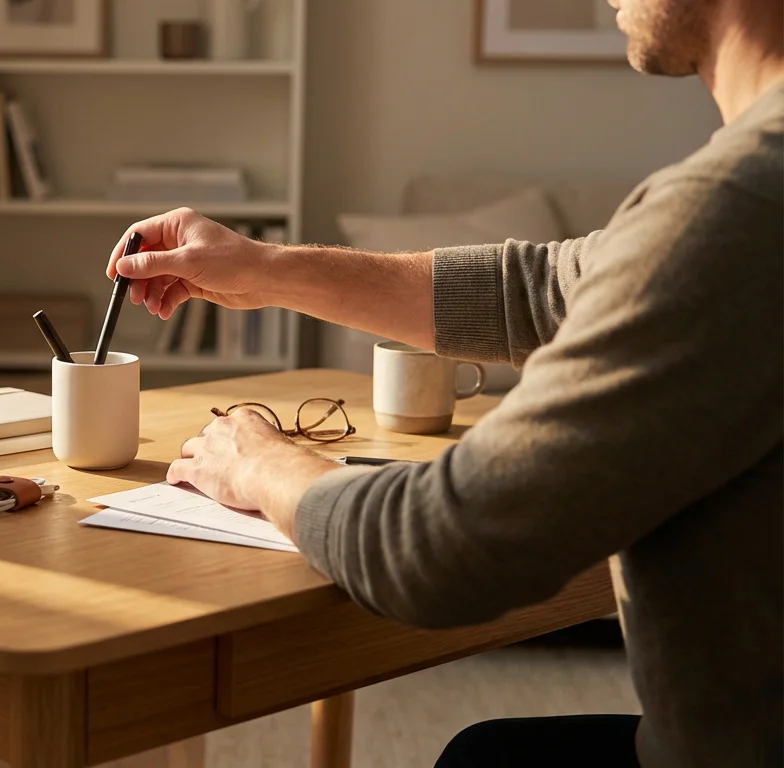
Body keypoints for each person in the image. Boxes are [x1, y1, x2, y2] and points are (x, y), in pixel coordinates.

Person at [103, 0, 782, 765]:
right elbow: (537, 290)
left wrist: (262, 465)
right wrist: (263, 269)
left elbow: (444, 547)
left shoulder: (737, 209)